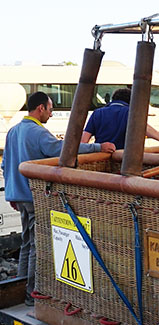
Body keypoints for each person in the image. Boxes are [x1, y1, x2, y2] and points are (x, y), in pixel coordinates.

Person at [2, 92, 116, 306]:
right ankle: (31, 294)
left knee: (26, 243)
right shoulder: (38, 132)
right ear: (40, 109)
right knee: (38, 245)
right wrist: (97, 147)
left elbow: (5, 163)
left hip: (18, 196)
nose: (52, 114)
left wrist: (10, 192)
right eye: (51, 109)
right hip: (33, 196)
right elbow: (62, 149)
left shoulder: (13, 131)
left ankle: (20, 289)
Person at [82, 88, 159, 152]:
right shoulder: (131, 113)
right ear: (131, 101)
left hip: (100, 157)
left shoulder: (97, 113)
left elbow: (84, 140)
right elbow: (145, 128)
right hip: (124, 159)